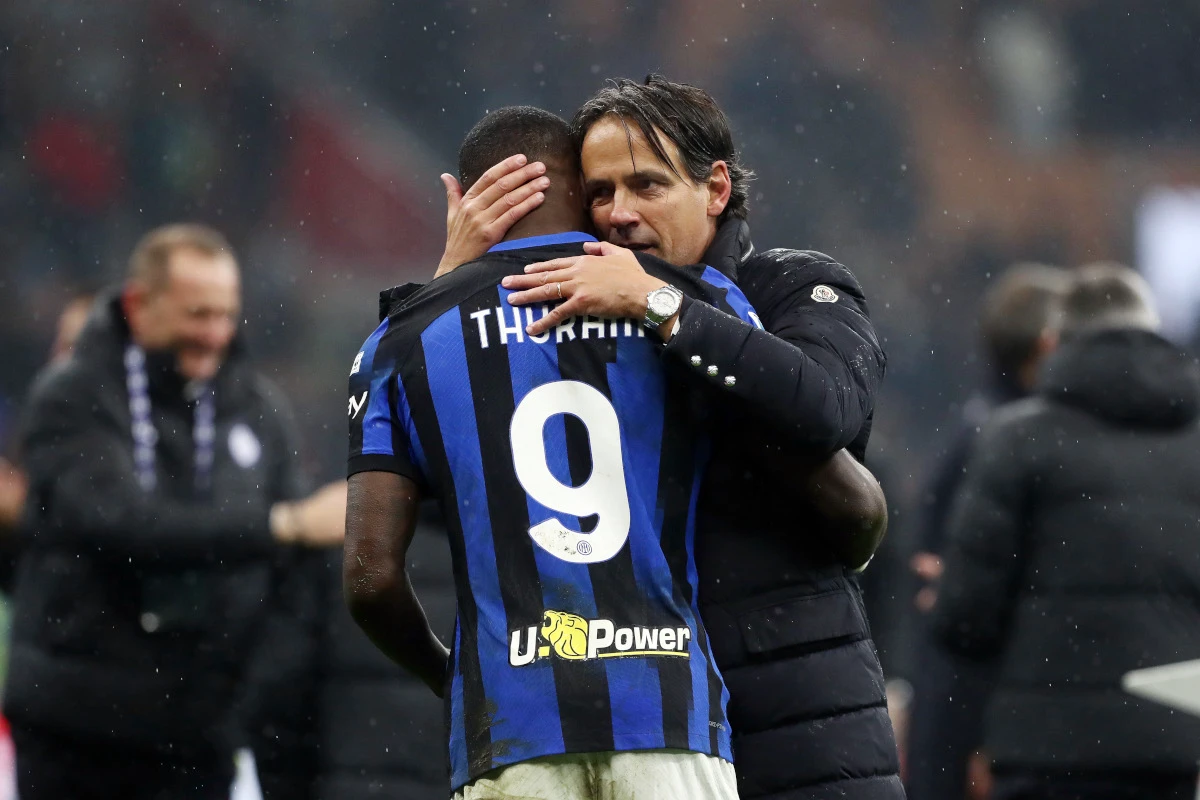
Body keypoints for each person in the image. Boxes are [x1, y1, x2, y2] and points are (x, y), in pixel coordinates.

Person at [439, 76, 899, 799]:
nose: (618, 214)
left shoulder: (791, 284)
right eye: (600, 192)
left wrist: (661, 304)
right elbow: (474, 494)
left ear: (715, 188)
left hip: (796, 711)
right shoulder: (574, 325)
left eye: (647, 185)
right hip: (640, 723)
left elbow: (827, 408)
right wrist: (453, 288)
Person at [343, 105, 791, 800]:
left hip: (512, 731)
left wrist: (453, 676)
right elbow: (798, 450)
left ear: (459, 202)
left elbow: (369, 579)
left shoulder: (401, 342)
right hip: (669, 715)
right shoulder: (687, 302)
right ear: (584, 194)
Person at [7, 223, 347, 800]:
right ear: (139, 306)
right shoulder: (75, 395)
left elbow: (292, 573)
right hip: (77, 731)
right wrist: (280, 526)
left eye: (226, 314)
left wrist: (257, 695)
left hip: (200, 735)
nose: (215, 334)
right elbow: (119, 525)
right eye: (197, 314)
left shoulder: (257, 407)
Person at [933, 263, 1200, 800]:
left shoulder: (1016, 440)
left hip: (1044, 752)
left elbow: (965, 618)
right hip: (1169, 744)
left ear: (1055, 343)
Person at [906, 263, 1068, 800]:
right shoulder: (1005, 442)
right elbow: (964, 599)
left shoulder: (981, 427)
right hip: (975, 710)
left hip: (957, 700)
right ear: (1046, 348)